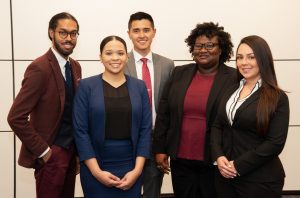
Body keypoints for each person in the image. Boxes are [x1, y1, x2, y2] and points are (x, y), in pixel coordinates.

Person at [153, 22, 236, 198]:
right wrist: (160, 149)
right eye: (198, 46)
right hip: (181, 158)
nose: (203, 50)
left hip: (215, 158)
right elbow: (164, 113)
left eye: (209, 45)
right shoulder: (179, 73)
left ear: (221, 49)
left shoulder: (234, 78)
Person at [7, 12, 81, 198]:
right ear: (51, 33)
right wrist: (44, 151)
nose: (69, 38)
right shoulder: (40, 67)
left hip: (72, 153)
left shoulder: (75, 66)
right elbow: (15, 117)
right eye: (63, 33)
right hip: (51, 156)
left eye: (73, 34)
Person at [210, 35, 289, 198]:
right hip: (225, 177)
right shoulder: (230, 90)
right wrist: (219, 156)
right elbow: (217, 125)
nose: (244, 62)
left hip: (260, 181)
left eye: (251, 57)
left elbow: (275, 143)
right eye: (239, 57)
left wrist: (237, 165)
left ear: (263, 59)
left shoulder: (277, 97)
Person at [73, 35, 151, 198]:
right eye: (109, 53)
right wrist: (96, 172)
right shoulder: (86, 86)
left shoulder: (139, 86)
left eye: (120, 53)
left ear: (127, 57)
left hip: (131, 165)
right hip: (96, 165)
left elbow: (145, 130)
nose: (115, 58)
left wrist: (137, 171)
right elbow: (80, 131)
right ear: (100, 57)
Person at [125, 11, 175, 198]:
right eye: (136, 30)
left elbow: (170, 107)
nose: (142, 35)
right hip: (127, 140)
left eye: (146, 30)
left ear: (154, 32)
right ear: (128, 33)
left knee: (153, 191)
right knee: (126, 189)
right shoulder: (119, 62)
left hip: (156, 140)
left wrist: (165, 145)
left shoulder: (168, 65)